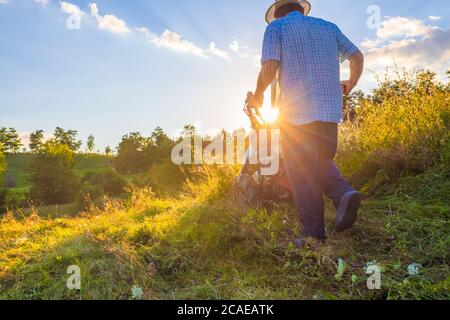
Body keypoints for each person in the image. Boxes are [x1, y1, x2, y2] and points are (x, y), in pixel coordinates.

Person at [247, 0, 365, 248]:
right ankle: (343, 193)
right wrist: (351, 83)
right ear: (301, 9)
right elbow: (356, 55)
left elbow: (270, 66)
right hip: (329, 109)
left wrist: (257, 96)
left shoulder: (276, 29)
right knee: (321, 160)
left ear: (277, 14)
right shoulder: (329, 27)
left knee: (301, 172)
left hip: (296, 113)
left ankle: (313, 235)